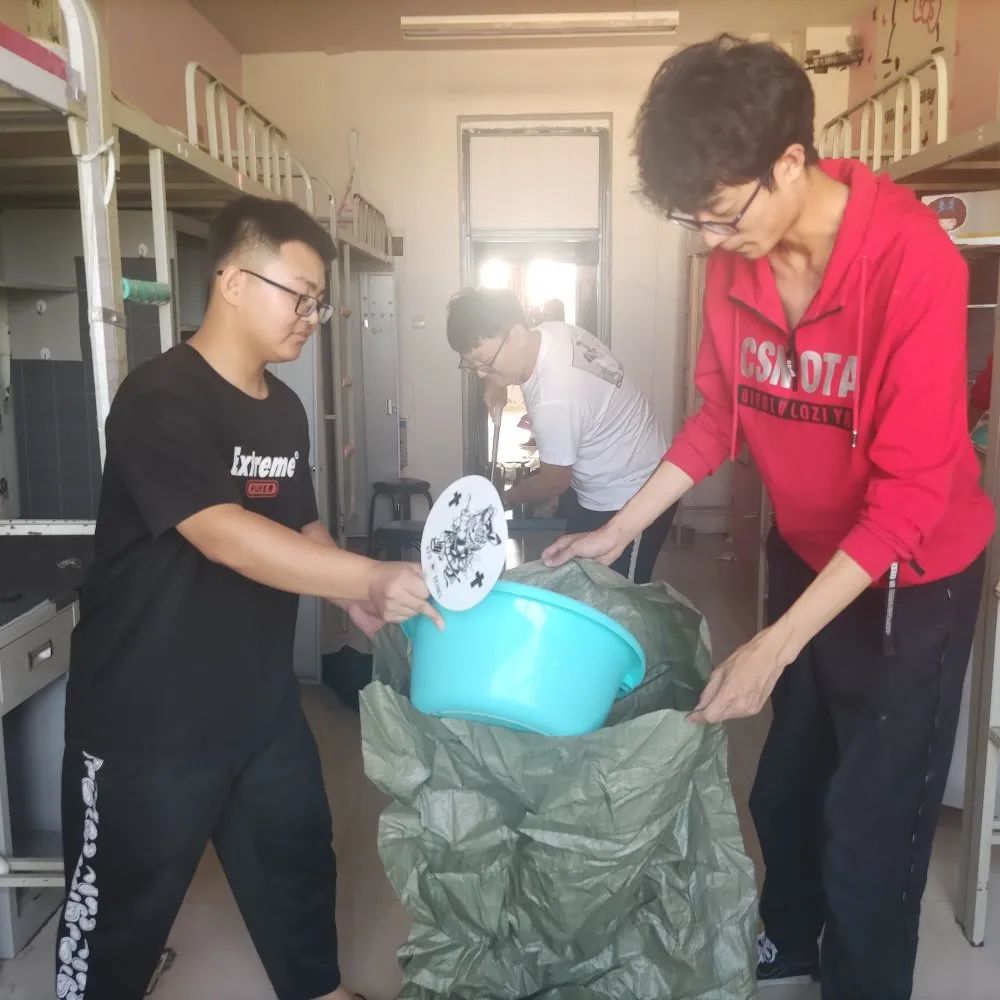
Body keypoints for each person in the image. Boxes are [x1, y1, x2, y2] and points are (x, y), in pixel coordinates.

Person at [543, 36, 994, 1000]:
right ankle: (789, 941)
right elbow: (721, 418)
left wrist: (774, 646)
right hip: (808, 551)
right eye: (692, 220)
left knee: (872, 829)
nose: (710, 241)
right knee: (787, 785)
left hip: (910, 579)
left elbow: (910, 496)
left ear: (791, 162)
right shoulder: (736, 263)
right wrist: (619, 529)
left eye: (720, 213)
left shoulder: (911, 262)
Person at [58, 195, 438, 1000]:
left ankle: (319, 991)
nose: (311, 317)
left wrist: (349, 594)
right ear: (232, 282)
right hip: (146, 717)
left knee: (297, 860)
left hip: (257, 704)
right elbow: (222, 533)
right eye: (299, 295)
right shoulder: (160, 399)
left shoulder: (284, 408)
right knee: (116, 913)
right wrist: (368, 576)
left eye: (318, 302)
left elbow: (299, 523)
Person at [448, 287, 675, 584]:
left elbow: (555, 480)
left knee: (617, 596)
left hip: (633, 492)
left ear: (516, 335)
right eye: (471, 365)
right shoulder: (550, 333)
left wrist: (503, 498)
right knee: (579, 581)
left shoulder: (555, 396)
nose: (479, 374)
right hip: (601, 485)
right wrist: (494, 382)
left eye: (484, 362)